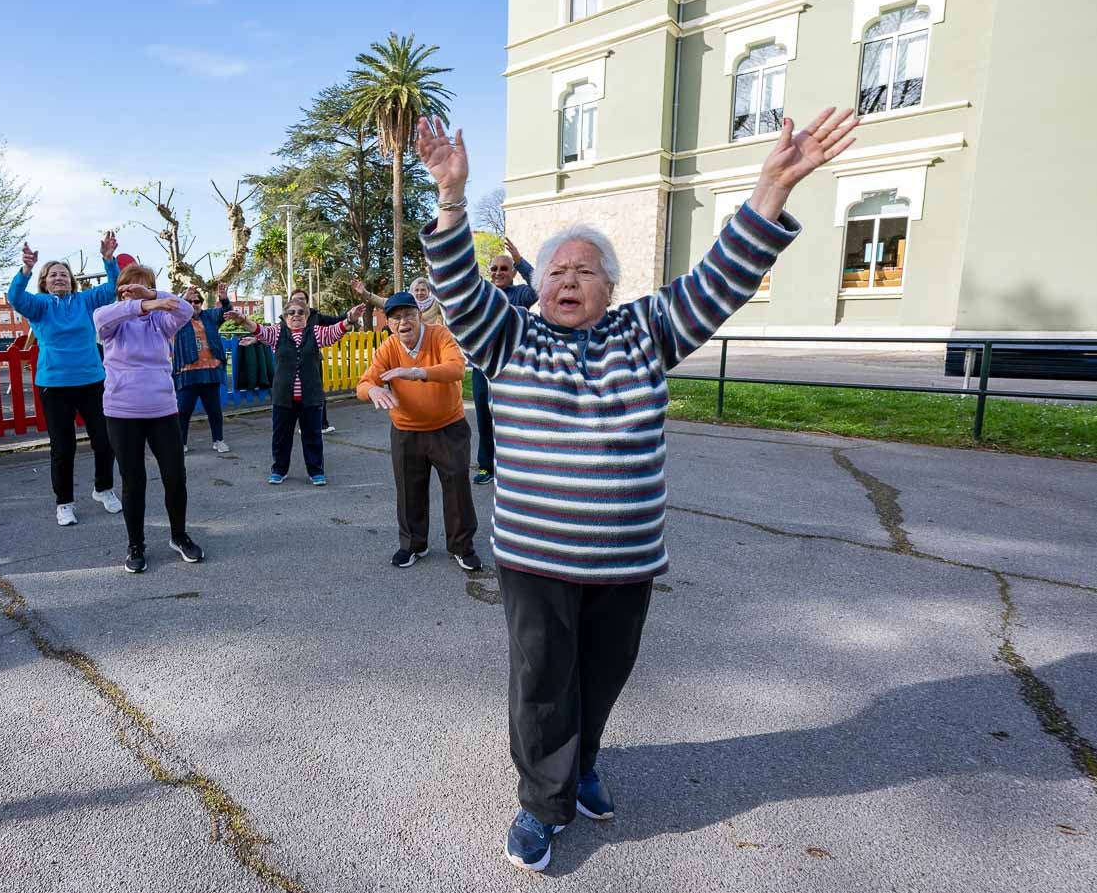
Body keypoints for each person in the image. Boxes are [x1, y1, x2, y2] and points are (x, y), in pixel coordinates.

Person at [415, 108, 858, 871]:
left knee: (600, 675)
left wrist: (769, 188)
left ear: (610, 288)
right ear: (534, 281)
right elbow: (456, 283)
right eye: (555, 269)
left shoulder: (646, 332)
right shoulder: (508, 337)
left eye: (585, 270)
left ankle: (581, 761)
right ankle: (541, 803)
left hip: (624, 561)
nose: (568, 279)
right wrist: (451, 197)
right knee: (543, 683)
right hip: (536, 558)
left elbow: (722, 278)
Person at [357, 291, 480, 572]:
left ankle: (462, 547)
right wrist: (373, 389)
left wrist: (415, 373)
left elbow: (456, 368)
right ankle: (413, 545)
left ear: (419, 316)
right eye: (396, 318)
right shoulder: (388, 348)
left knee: (457, 489)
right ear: (388, 323)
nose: (403, 322)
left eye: (408, 315)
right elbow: (364, 384)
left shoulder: (439, 336)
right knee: (409, 491)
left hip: (449, 428)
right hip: (406, 432)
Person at [7, 232, 124, 526]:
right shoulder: (40, 306)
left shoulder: (84, 301)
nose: (59, 278)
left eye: (64, 274)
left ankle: (103, 488)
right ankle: (64, 503)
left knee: (104, 440)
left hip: (91, 381)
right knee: (63, 447)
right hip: (55, 385)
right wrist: (25, 270)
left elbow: (113, 287)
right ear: (44, 281)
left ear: (71, 280)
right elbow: (15, 298)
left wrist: (109, 259)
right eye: (53, 275)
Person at [94, 266, 204, 572]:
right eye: (129, 286)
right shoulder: (111, 320)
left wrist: (154, 298)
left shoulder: (161, 323)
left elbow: (183, 309)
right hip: (121, 412)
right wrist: (140, 303)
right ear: (119, 290)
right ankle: (136, 544)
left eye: (143, 287)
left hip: (162, 411)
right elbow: (101, 319)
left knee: (175, 476)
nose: (135, 291)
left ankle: (179, 536)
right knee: (133, 481)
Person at [225, 300, 365, 485]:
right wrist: (243, 319)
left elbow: (336, 331)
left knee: (313, 436)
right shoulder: (276, 333)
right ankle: (279, 470)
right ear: (285, 316)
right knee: (281, 437)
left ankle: (316, 472)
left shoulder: (316, 332)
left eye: (301, 312)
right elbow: (258, 330)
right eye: (291, 312)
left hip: (311, 397)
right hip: (283, 397)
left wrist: (350, 319)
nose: (296, 315)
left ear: (307, 316)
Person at [472, 239, 537, 486]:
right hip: (483, 367)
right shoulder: (482, 293)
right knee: (484, 417)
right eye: (495, 269)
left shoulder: (521, 294)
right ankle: (487, 466)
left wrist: (520, 262)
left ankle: (516, 467)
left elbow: (541, 286)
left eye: (504, 268)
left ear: (512, 273)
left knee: (515, 418)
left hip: (513, 368)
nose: (499, 272)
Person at [173, 282, 233, 454]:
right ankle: (181, 443)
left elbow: (225, 312)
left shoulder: (209, 316)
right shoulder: (177, 319)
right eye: (190, 302)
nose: (194, 305)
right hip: (187, 373)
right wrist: (183, 298)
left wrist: (224, 299)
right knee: (183, 411)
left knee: (214, 411)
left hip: (210, 372)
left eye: (197, 301)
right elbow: (171, 308)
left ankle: (218, 440)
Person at [288, 287, 353, 434]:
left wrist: (349, 316)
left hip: (313, 361)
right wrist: (256, 339)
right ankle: (301, 424)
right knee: (295, 393)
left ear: (307, 302)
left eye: (302, 300)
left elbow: (336, 321)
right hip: (292, 363)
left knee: (317, 392)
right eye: (295, 299)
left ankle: (322, 424)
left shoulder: (316, 316)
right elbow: (274, 333)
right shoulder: (286, 317)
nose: (298, 302)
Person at [352, 275, 444, 325]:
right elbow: (384, 302)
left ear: (429, 291)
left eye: (423, 290)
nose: (420, 293)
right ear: (412, 291)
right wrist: (365, 293)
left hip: (432, 340)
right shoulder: (407, 302)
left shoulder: (436, 303)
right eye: (417, 290)